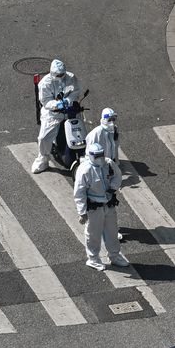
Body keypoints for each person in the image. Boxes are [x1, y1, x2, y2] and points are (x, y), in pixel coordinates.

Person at [73, 142, 129, 271]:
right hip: (94, 208)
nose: (100, 157)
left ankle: (114, 256)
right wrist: (81, 212)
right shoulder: (85, 170)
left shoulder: (108, 164)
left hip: (108, 204)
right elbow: (79, 192)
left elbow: (118, 175)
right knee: (93, 234)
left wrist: (113, 188)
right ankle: (93, 259)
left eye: (101, 154)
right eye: (97, 155)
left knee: (112, 231)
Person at [31, 59, 82, 174]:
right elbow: (45, 101)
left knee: (80, 133)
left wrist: (68, 100)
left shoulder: (71, 77)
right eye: (58, 74)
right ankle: (43, 159)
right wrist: (56, 104)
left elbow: (76, 91)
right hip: (53, 114)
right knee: (43, 138)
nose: (60, 76)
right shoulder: (45, 83)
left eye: (62, 74)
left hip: (70, 111)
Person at [86, 108, 123, 241]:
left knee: (110, 202)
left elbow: (115, 149)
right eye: (109, 119)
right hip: (98, 172)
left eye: (114, 119)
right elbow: (89, 155)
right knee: (98, 203)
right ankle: (97, 229)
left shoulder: (114, 131)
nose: (112, 122)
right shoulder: (96, 134)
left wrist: (115, 166)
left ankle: (110, 230)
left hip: (108, 170)